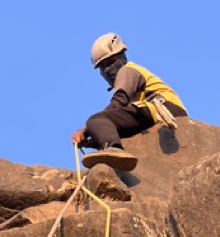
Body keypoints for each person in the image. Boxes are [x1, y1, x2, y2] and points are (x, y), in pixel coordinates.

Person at [72, 33, 188, 172]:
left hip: (164, 108)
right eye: (103, 67)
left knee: (96, 119)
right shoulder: (130, 72)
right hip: (160, 111)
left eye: (110, 62)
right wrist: (93, 140)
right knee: (104, 124)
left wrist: (87, 128)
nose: (108, 70)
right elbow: (121, 121)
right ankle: (112, 148)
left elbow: (118, 102)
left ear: (122, 57)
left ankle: (115, 150)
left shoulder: (128, 71)